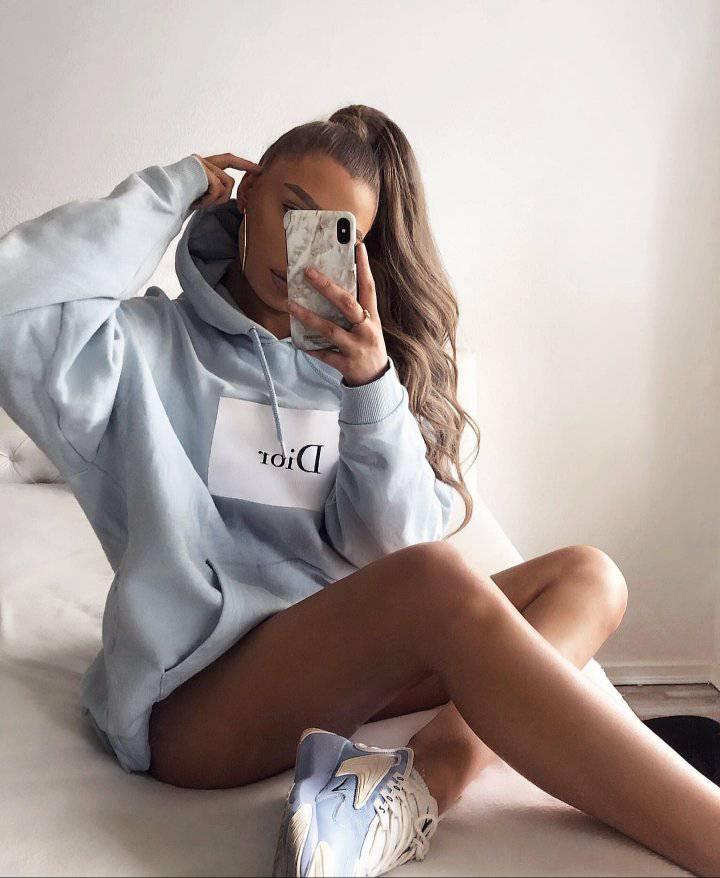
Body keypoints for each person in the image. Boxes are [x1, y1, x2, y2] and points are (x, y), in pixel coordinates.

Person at [0, 105, 718, 878]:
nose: (302, 248)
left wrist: (371, 387)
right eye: (291, 209)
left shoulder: (352, 375)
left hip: (335, 664)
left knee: (588, 576)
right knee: (436, 580)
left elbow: (391, 549)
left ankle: (419, 783)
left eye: (334, 233)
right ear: (247, 194)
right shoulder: (140, 346)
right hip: (200, 703)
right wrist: (169, 190)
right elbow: (14, 305)